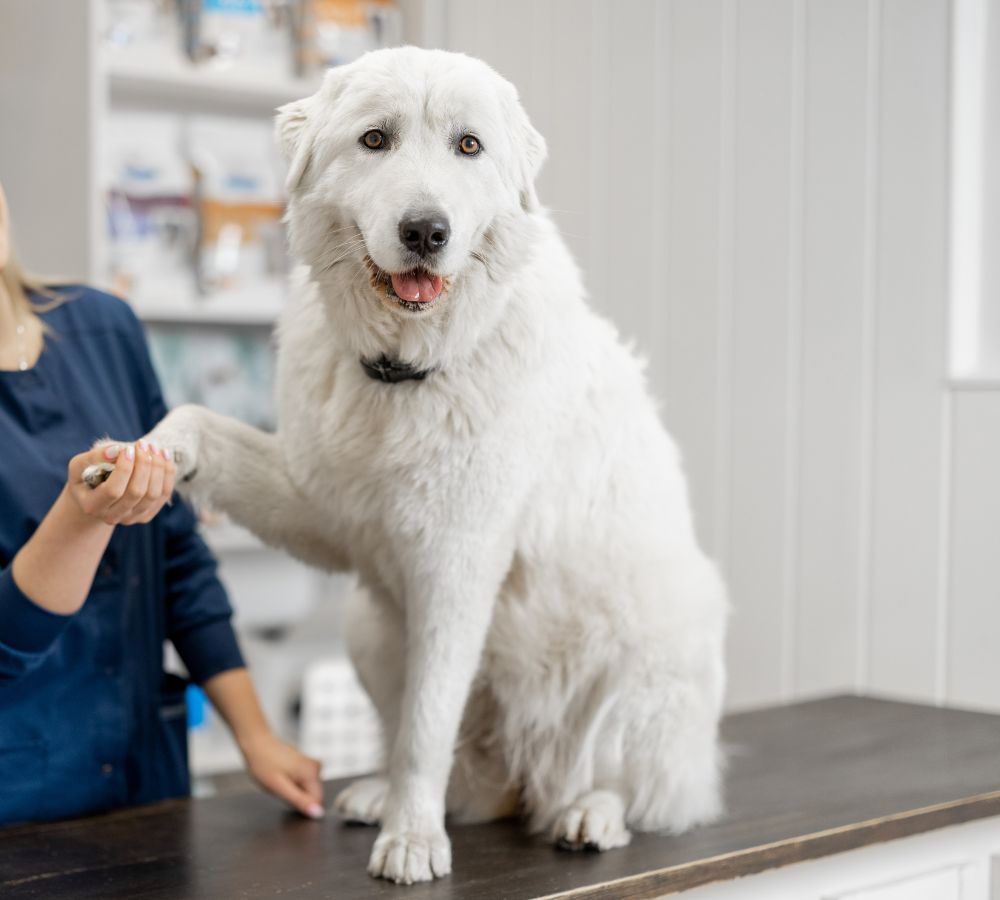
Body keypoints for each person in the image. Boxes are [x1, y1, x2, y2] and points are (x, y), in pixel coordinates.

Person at [0, 181, 324, 826]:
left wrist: (254, 735)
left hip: (147, 779)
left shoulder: (103, 327)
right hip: (22, 810)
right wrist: (81, 519)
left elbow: (177, 552)